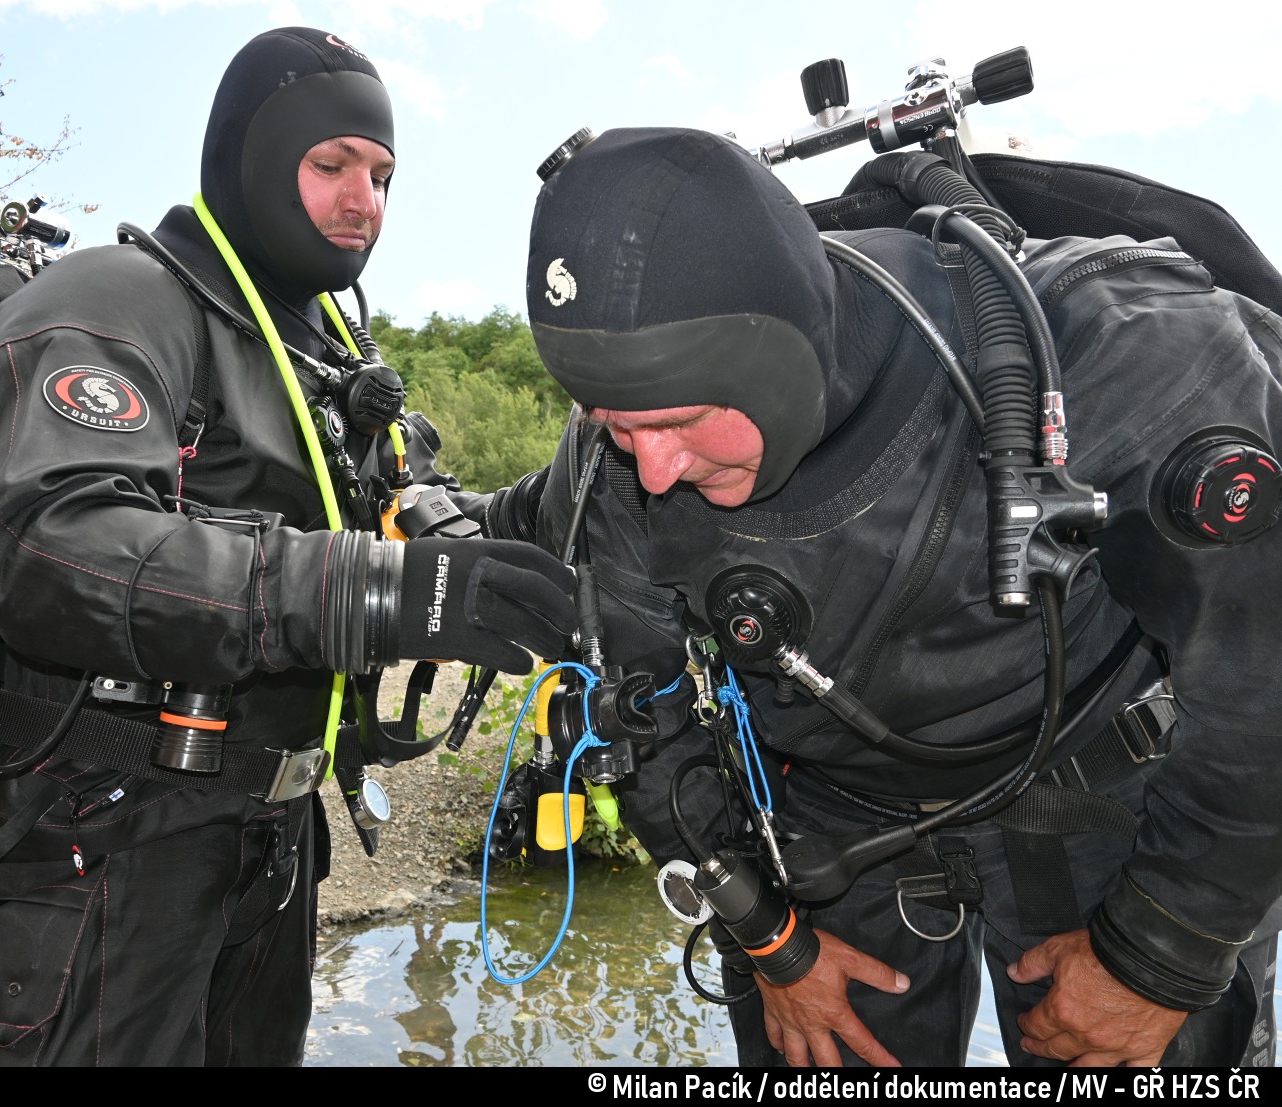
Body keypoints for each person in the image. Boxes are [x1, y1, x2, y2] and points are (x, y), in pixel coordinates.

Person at [488, 125, 1282, 1067]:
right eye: (617, 427)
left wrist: (1161, 955)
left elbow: (1260, 690)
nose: (652, 468)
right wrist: (772, 942)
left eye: (680, 420)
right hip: (833, 825)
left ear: (779, 353)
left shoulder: (1121, 352)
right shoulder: (616, 458)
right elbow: (645, 720)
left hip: (1104, 781)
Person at [0, 27, 576, 1067]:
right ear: (250, 159)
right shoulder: (116, 300)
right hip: (97, 845)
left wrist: (604, 456)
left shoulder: (322, 355)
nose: (364, 202)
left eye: (383, 174)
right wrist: (374, 594)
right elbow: (48, 540)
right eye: (331, 165)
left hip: (270, 845)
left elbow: (416, 527)